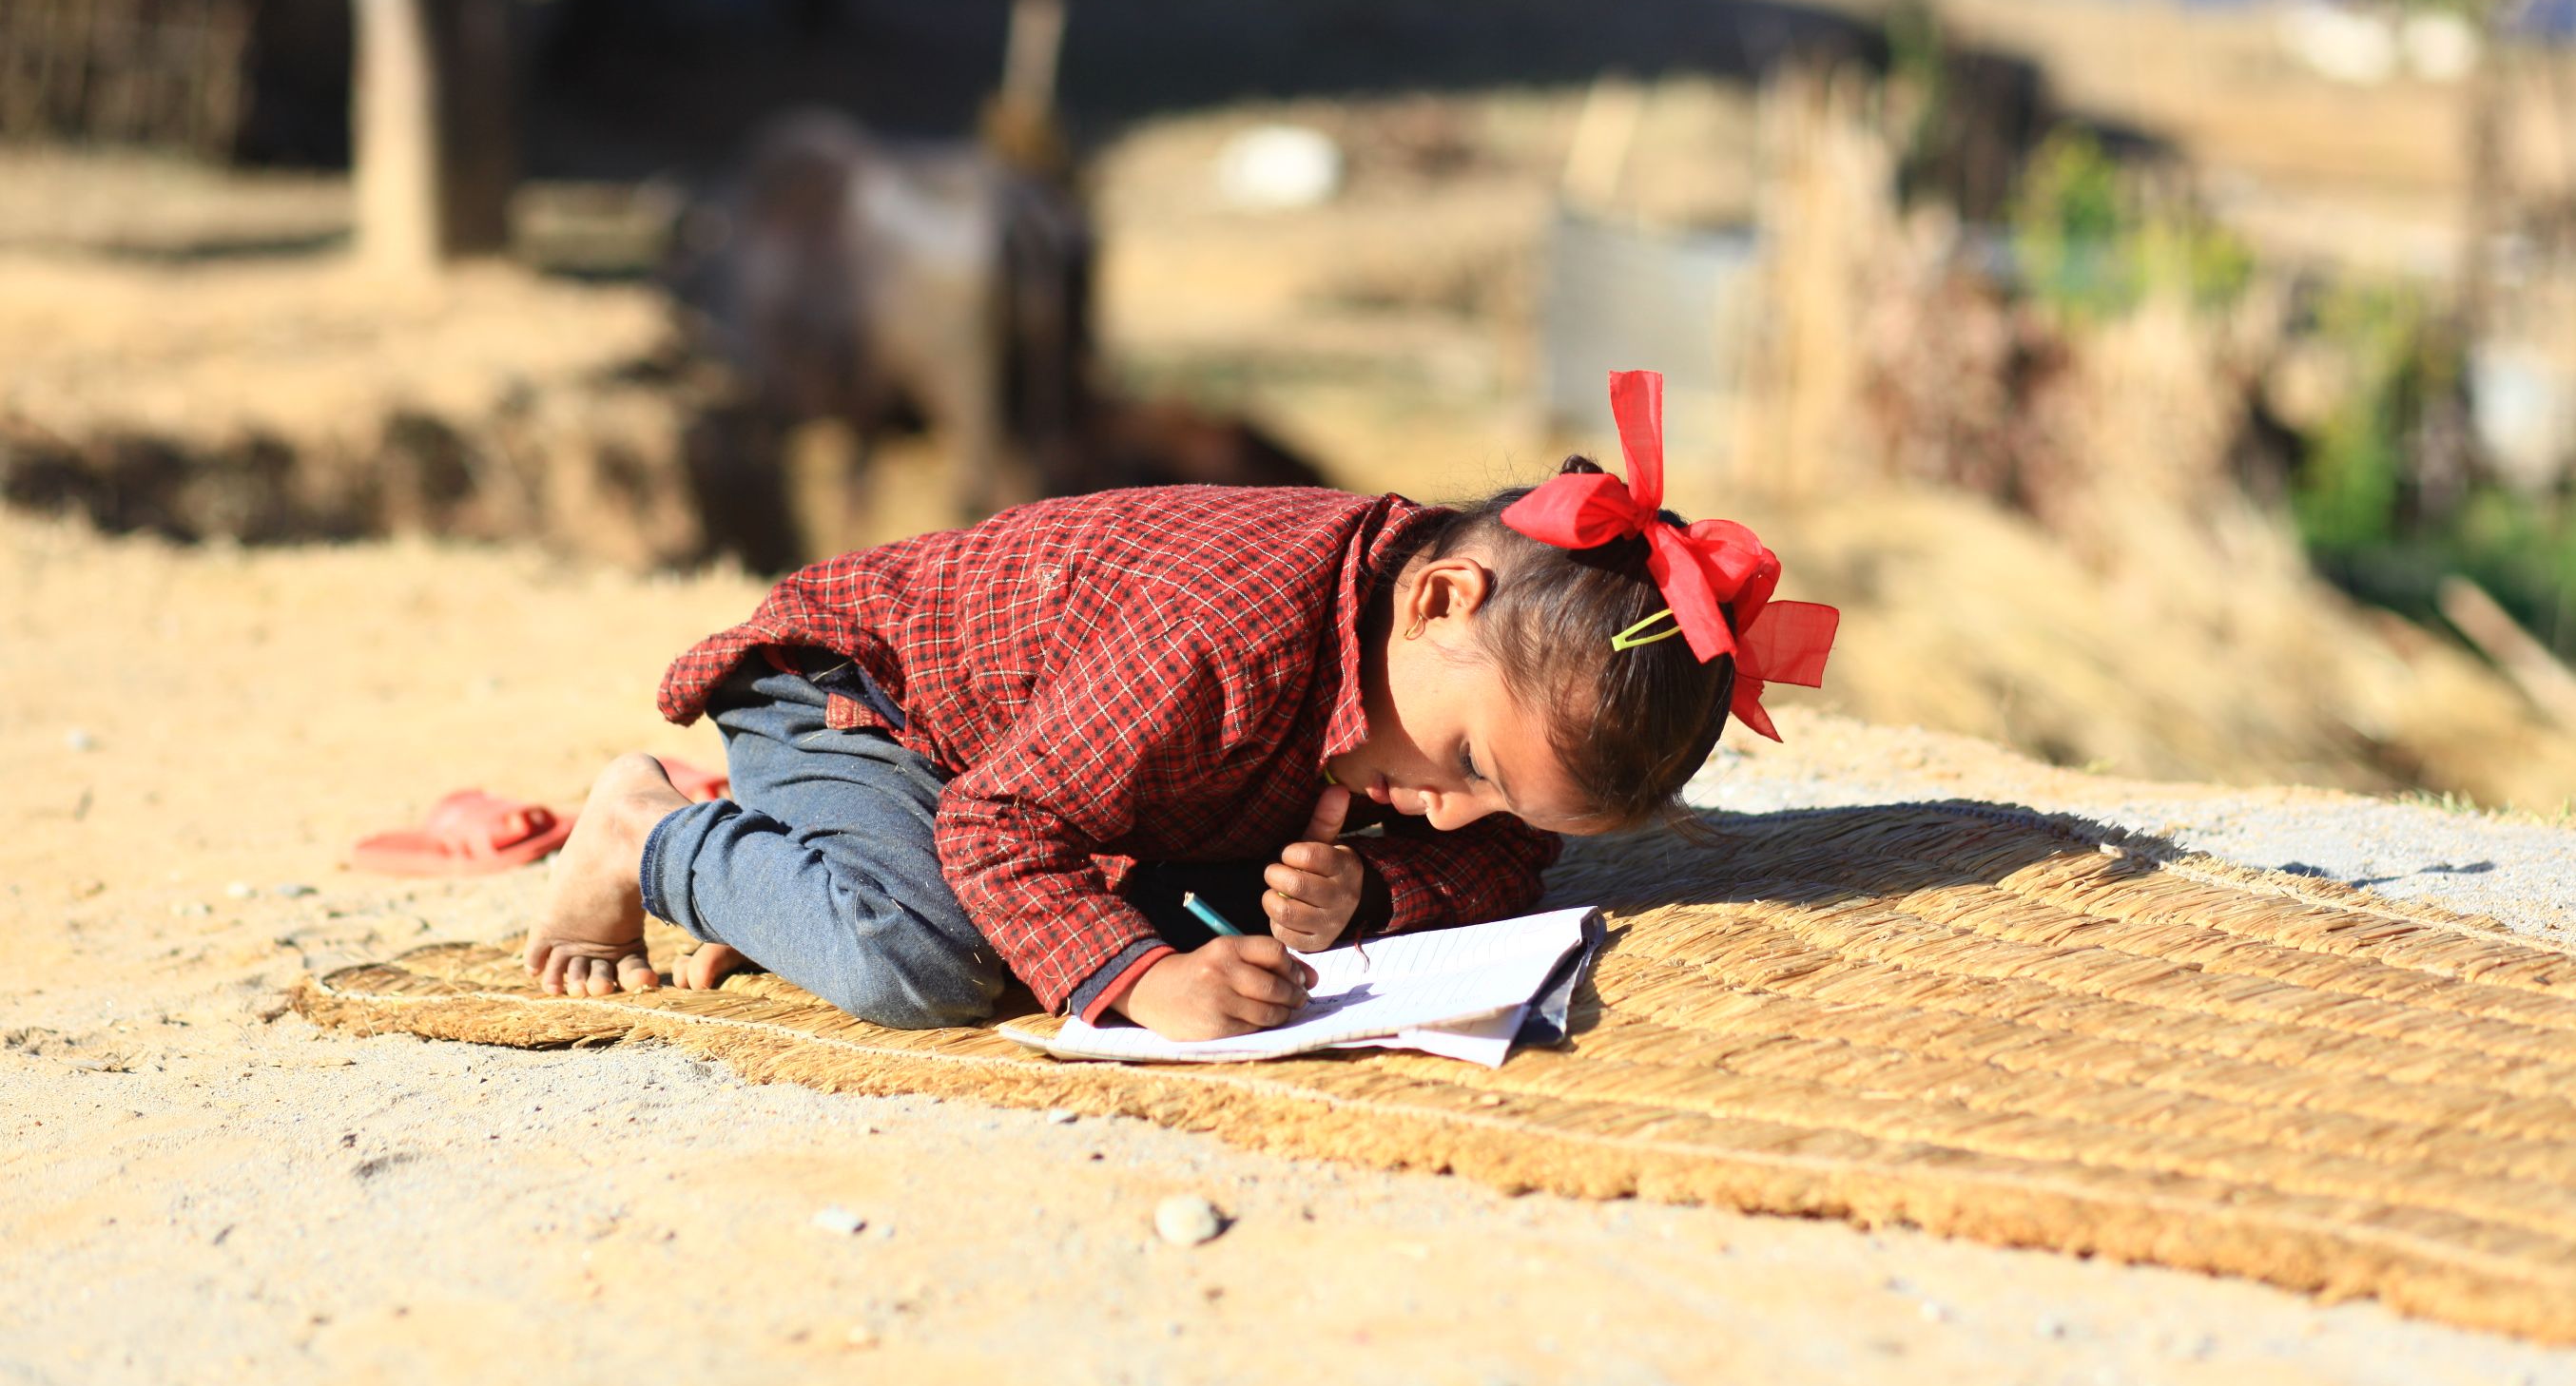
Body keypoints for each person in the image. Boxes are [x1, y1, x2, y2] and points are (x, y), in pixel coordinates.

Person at [524, 371, 1837, 1041]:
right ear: (1439, 600)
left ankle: (807, 869)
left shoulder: (1430, 692)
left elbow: (1507, 851)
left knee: (1198, 911)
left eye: (1492, 795)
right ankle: (652, 832)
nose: (1447, 809)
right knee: (927, 967)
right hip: (864, 702)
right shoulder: (1217, 645)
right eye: (1462, 764)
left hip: (1060, 767)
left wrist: (1376, 900)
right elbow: (998, 823)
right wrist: (1144, 988)